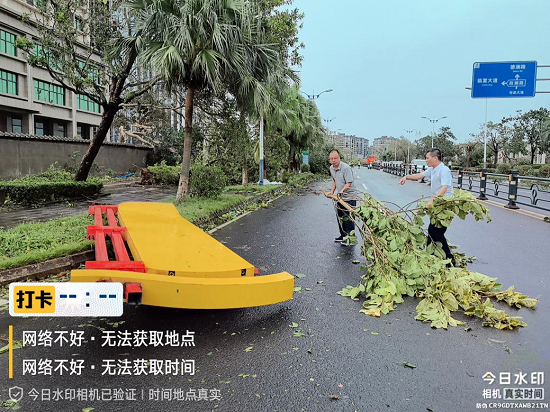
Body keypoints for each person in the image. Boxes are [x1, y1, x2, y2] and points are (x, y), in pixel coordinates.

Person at [398, 148, 455, 265]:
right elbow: (420, 175)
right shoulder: (433, 169)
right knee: (432, 231)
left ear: (435, 158)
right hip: (437, 204)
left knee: (436, 232)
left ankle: (450, 259)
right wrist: (406, 177)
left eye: (427, 158)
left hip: (444, 205)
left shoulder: (444, 170)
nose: (426, 160)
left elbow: (444, 188)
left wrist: (433, 201)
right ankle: (430, 255)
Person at [324, 149, 357, 244]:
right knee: (340, 216)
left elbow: (349, 183)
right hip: (340, 197)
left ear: (339, 158)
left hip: (350, 197)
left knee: (349, 218)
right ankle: (343, 236)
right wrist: (332, 191)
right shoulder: (331, 168)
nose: (333, 160)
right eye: (331, 159)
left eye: (335, 158)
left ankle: (350, 239)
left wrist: (341, 191)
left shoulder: (346, 168)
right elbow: (334, 180)